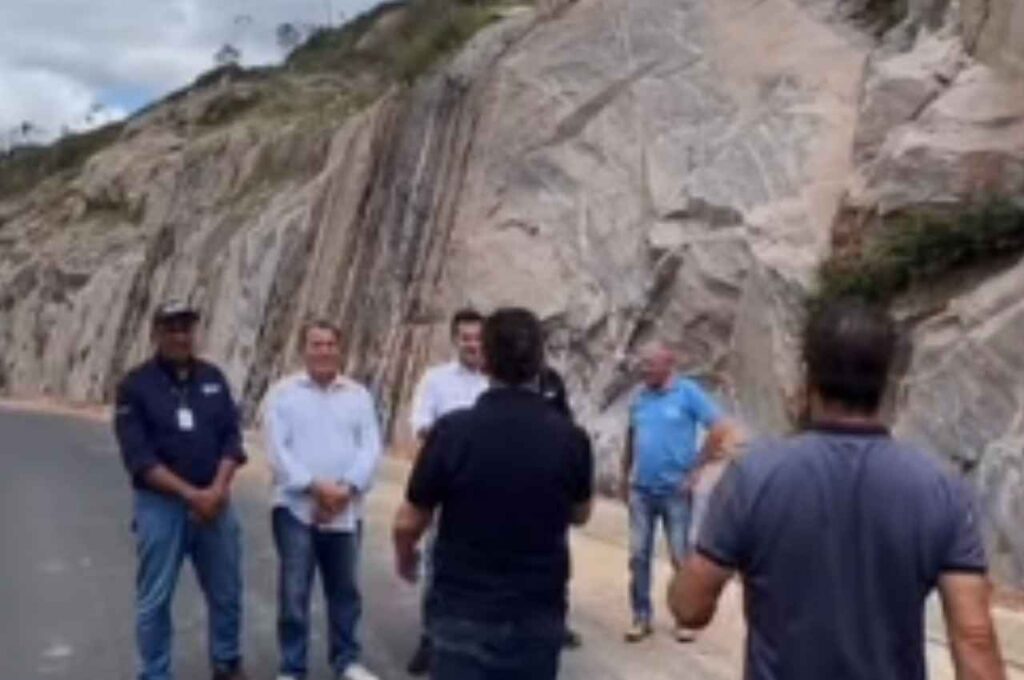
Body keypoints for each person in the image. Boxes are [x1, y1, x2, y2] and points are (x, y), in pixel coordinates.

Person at [669, 299, 1007, 680]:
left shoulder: (752, 476)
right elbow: (974, 639)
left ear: (807, 377)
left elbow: (689, 609)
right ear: (888, 380)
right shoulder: (942, 489)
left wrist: (703, 515)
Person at [393, 307, 594, 680]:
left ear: (486, 362)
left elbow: (409, 520)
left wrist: (405, 558)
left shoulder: (452, 432)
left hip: (462, 610)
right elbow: (580, 514)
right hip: (537, 612)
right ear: (539, 364)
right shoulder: (571, 440)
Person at [113, 301, 248, 680]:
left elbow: (232, 439)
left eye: (186, 328)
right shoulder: (134, 386)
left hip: (216, 503)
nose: (179, 336)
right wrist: (192, 495)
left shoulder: (213, 378)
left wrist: (217, 489)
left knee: (227, 592)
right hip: (161, 507)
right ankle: (155, 673)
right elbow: (138, 456)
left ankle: (226, 663)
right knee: (155, 599)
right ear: (155, 333)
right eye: (170, 328)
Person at [264, 320, 382, 680]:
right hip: (295, 508)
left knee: (345, 590)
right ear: (304, 349)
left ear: (340, 349)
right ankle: (292, 666)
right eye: (316, 344)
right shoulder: (283, 392)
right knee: (295, 591)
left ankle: (346, 661)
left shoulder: (358, 395)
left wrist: (345, 490)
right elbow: (276, 450)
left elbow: (371, 447)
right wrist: (315, 487)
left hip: (346, 509)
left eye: (331, 344)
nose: (324, 350)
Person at [621, 341, 731, 643]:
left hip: (675, 492)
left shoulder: (687, 393)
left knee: (680, 556)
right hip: (641, 491)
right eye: (642, 363)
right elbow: (632, 436)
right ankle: (641, 616)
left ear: (667, 364)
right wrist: (624, 474)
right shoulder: (640, 397)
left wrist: (696, 470)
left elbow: (719, 427)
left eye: (649, 364)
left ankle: (684, 619)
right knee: (638, 555)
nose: (643, 369)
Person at [404, 308, 488, 675]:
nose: (472, 344)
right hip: (447, 489)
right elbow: (421, 424)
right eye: (466, 338)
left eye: (478, 338)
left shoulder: (498, 382)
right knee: (439, 566)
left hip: (491, 492)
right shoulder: (435, 380)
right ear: (455, 340)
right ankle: (430, 638)